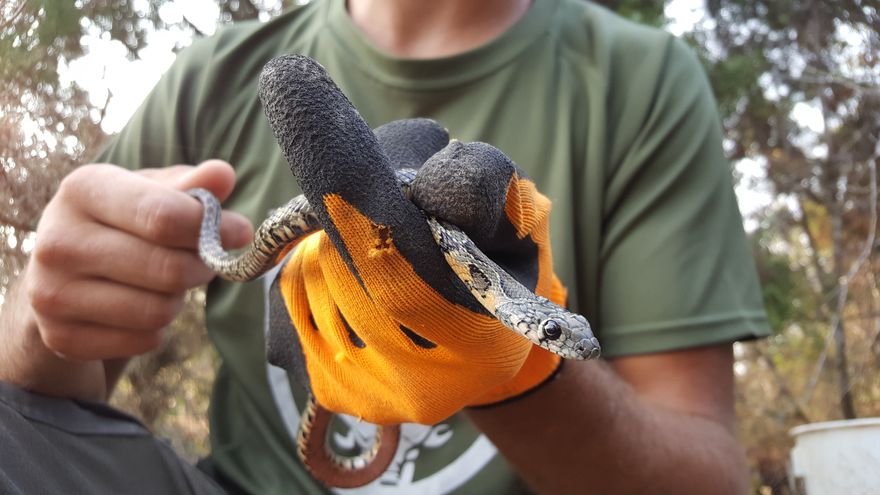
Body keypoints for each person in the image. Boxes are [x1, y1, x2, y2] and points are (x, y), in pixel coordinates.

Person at [0, 0, 770, 493]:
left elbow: (706, 473)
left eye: (552, 336)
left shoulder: (640, 81)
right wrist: (42, 311)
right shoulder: (215, 75)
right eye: (551, 336)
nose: (561, 339)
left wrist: (523, 379)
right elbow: (33, 394)